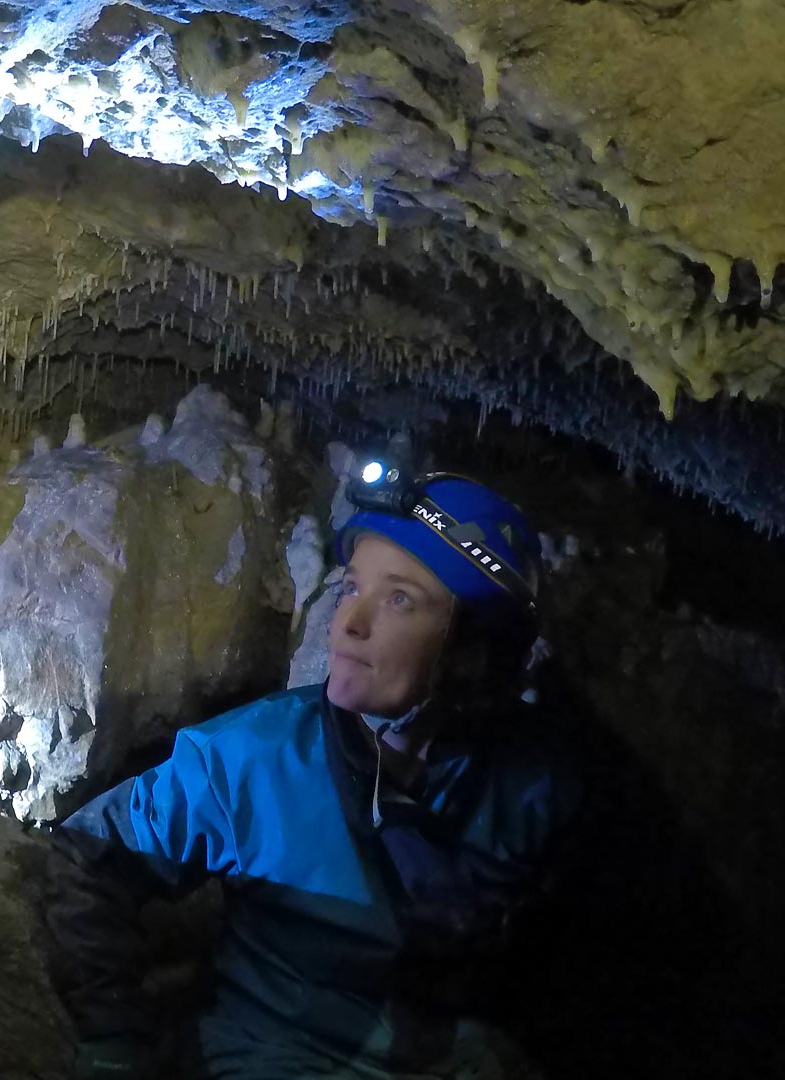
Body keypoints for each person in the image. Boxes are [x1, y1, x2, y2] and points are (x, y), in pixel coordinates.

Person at [47, 459, 578, 1079]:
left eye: (399, 599)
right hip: (279, 1058)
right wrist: (114, 1046)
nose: (348, 623)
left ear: (474, 650)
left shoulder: (539, 785)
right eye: (352, 586)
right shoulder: (256, 758)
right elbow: (88, 856)